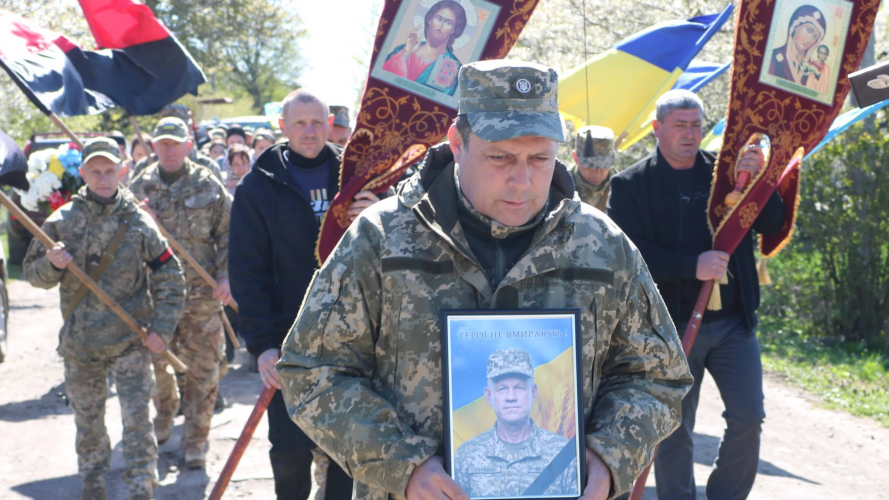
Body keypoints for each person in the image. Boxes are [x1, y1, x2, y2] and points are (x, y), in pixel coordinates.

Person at [276, 60, 693, 500]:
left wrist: (609, 455)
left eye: (540, 158)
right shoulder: (382, 239)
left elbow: (657, 376)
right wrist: (402, 464)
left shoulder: (602, 244)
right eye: (500, 157)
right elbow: (312, 370)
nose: (523, 179)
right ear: (458, 142)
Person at [607, 89, 786, 500]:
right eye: (680, 126)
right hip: (670, 329)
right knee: (674, 428)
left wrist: (761, 182)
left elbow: (772, 221)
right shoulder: (631, 184)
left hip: (733, 325)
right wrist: (692, 265)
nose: (689, 134)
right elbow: (629, 255)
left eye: (695, 126)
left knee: (748, 418)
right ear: (657, 129)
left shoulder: (725, 173)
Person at [229, 89, 382, 500]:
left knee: (346, 452)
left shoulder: (357, 177)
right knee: (291, 452)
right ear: (282, 126)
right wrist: (261, 345)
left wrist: (379, 213)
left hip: (353, 340)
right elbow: (248, 273)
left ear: (331, 124)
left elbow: (392, 254)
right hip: (288, 341)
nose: (310, 131)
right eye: (299, 123)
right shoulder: (257, 188)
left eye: (318, 122)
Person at [23, 137, 186, 500]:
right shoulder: (61, 222)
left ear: (122, 171)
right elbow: (34, 276)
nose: (102, 177)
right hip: (81, 346)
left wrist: (161, 328)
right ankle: (93, 485)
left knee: (137, 422)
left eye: (109, 170)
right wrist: (52, 265)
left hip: (130, 341)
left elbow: (171, 278)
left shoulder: (140, 223)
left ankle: (141, 486)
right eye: (94, 171)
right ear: (82, 173)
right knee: (89, 423)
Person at [129, 117, 232, 469]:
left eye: (176, 143)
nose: (169, 149)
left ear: (189, 145)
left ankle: (196, 441)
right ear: (154, 146)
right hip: (155, 297)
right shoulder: (137, 188)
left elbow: (229, 236)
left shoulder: (209, 185)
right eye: (163, 143)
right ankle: (165, 409)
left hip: (202, 296)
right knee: (158, 365)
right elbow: (125, 242)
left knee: (204, 370)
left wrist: (227, 276)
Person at [453, 349, 577, 497]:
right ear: (488, 395)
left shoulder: (562, 451)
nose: (511, 397)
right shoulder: (466, 455)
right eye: (502, 389)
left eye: (519, 387)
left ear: (533, 392)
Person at [381, 0, 466, 95]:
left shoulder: (455, 69)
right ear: (430, 20)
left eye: (448, 23)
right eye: (439, 18)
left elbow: (448, 103)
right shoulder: (404, 49)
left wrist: (449, 89)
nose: (440, 26)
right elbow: (381, 79)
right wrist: (404, 55)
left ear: (453, 30)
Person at [129, 104, 224, 183]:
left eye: (179, 127)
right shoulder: (144, 166)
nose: (172, 134)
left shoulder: (207, 166)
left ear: (190, 128)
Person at [768, 5, 826, 86]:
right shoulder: (773, 57)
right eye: (808, 30)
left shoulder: (811, 68)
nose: (809, 40)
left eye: (815, 37)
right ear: (795, 26)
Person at [569, 125, 614, 212]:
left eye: (603, 166)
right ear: (575, 157)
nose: (597, 173)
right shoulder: (559, 186)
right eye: (590, 166)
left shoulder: (623, 189)